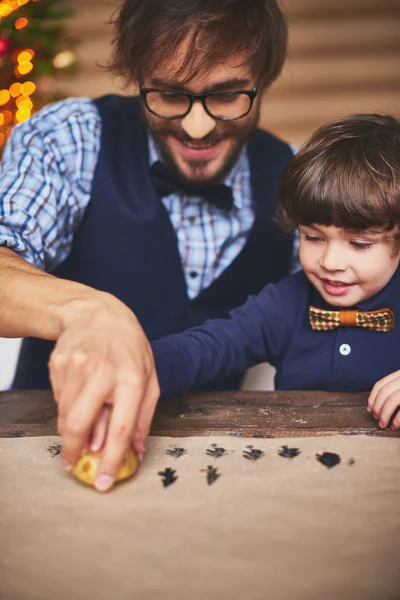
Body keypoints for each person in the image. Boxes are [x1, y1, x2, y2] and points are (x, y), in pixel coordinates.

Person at [0, 1, 295, 490]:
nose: (197, 127)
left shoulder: (294, 178)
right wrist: (87, 310)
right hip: (46, 464)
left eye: (226, 96)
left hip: (221, 480)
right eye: (170, 94)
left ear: (264, 79)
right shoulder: (70, 137)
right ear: (137, 77)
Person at [151, 113, 400, 443]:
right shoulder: (283, 304)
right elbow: (211, 346)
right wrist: (142, 365)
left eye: (359, 244)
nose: (330, 261)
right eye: (313, 237)